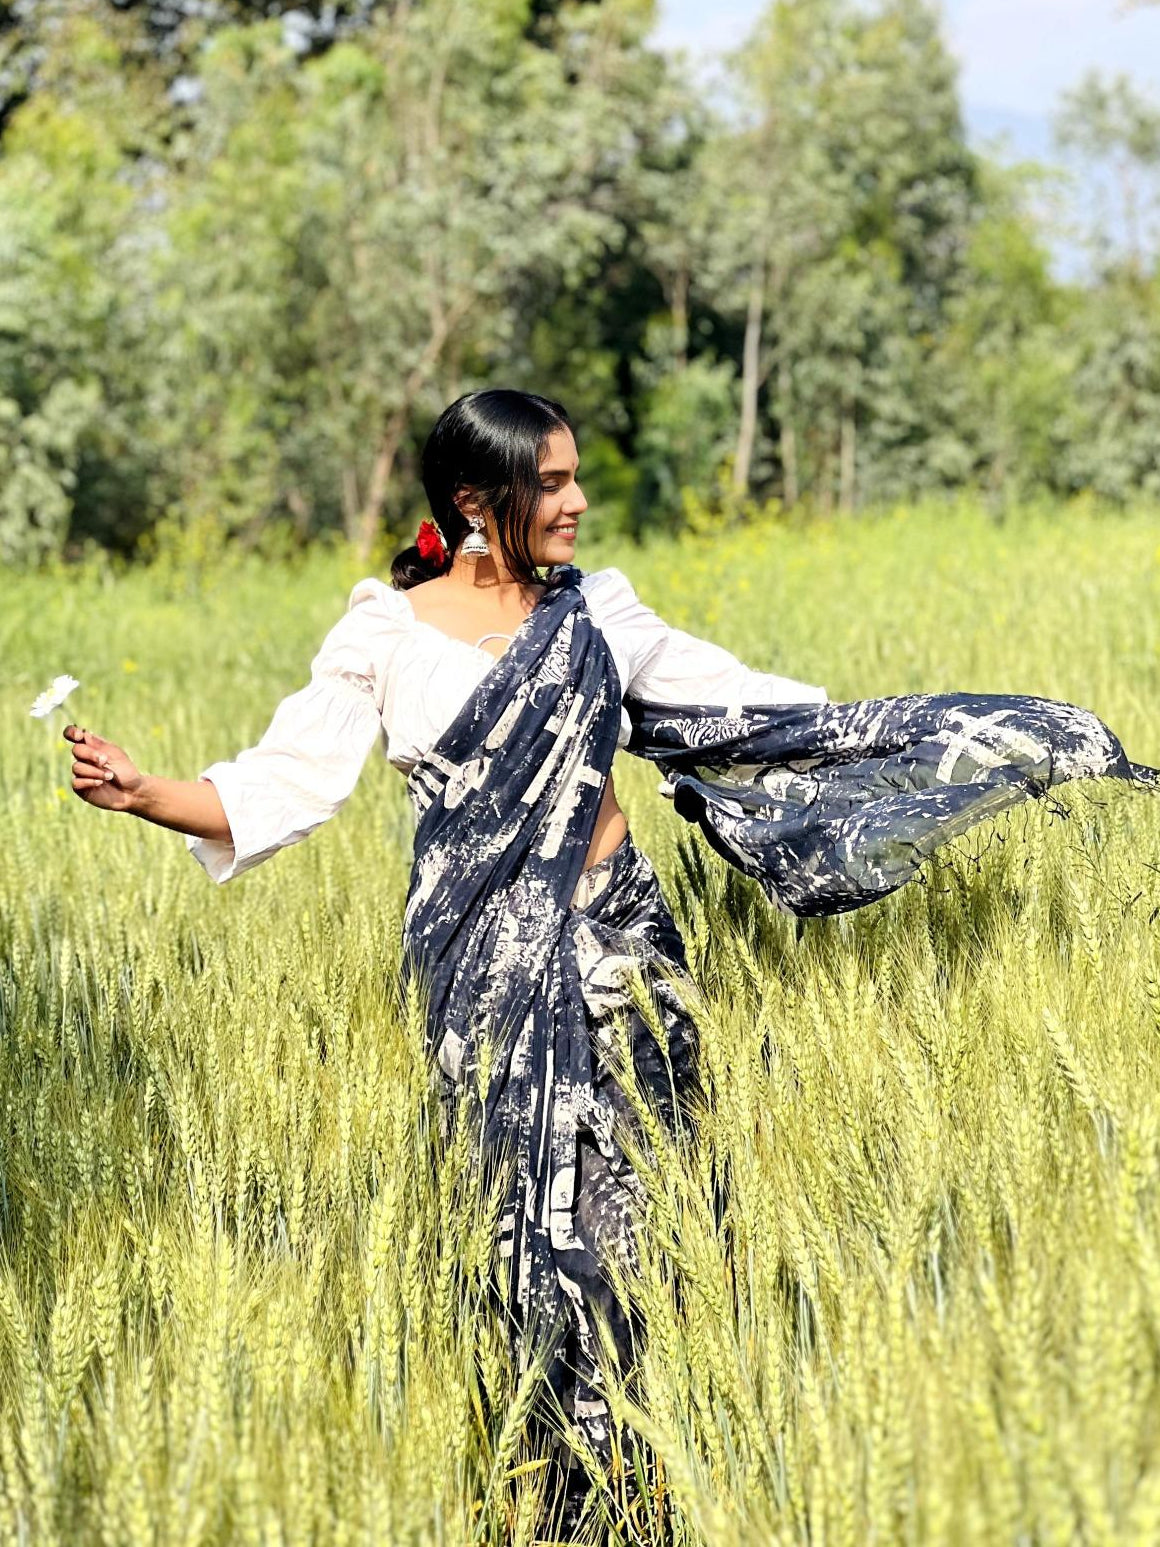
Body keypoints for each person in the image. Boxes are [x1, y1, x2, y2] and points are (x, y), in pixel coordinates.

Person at [63, 387, 1158, 1528]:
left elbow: (748, 706)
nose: (578, 500)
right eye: (552, 482)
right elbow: (284, 782)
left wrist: (932, 739)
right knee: (526, 1224)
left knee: (651, 1206)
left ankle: (666, 1468)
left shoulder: (595, 616)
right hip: (483, 967)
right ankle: (552, 1492)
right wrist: (142, 791)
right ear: (477, 506)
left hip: (623, 940)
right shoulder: (380, 635)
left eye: (576, 476)